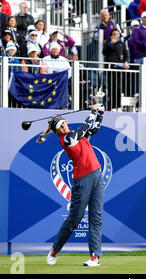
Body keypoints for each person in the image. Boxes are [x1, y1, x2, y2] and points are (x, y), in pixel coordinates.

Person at [41, 104, 106, 267]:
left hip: (97, 174)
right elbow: (84, 128)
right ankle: (55, 249)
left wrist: (100, 113)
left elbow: (93, 129)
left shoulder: (74, 134)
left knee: (96, 216)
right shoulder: (67, 139)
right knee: (74, 219)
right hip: (82, 180)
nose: (64, 126)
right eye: (60, 126)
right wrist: (92, 112)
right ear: (57, 131)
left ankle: (94, 257)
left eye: (63, 123)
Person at [102, 28, 129, 110]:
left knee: (118, 87)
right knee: (111, 87)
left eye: (117, 34)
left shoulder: (122, 43)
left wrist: (126, 62)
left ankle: (118, 106)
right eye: (114, 34)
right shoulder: (108, 43)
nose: (115, 35)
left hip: (119, 68)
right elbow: (104, 52)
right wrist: (111, 44)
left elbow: (126, 54)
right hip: (111, 68)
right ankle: (112, 106)